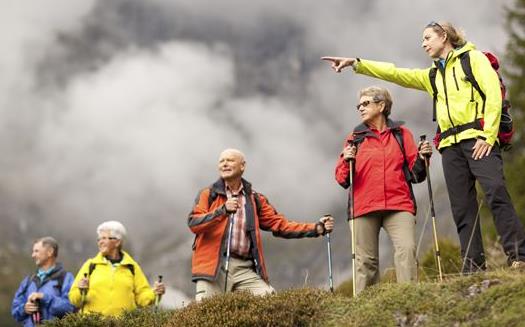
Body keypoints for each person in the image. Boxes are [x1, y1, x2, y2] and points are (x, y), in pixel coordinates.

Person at [322, 21, 525, 273]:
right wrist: (356, 63)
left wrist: (488, 135)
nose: (423, 43)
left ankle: (518, 256)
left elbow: (493, 95)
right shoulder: (432, 75)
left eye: (428, 37)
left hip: (478, 139)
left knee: (496, 193)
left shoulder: (473, 59)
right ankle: (473, 266)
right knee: (462, 207)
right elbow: (396, 73)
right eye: (423, 39)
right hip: (450, 146)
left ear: (444, 36)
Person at [188, 148, 335, 301]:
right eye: (221, 161)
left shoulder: (254, 199)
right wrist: (222, 211)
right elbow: (194, 223)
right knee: (207, 314)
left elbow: (280, 224)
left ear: (242, 166)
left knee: (270, 301)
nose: (224, 164)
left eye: (230, 160)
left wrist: (316, 228)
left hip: (244, 268)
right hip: (213, 269)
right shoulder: (208, 194)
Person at [335, 86, 431, 294]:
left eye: (365, 103)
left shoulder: (402, 134)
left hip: (399, 204)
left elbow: (417, 175)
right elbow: (342, 179)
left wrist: (424, 158)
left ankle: (409, 299)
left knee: (406, 250)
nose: (360, 108)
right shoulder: (355, 138)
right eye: (358, 105)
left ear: (382, 105)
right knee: (366, 262)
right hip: (364, 207)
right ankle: (364, 311)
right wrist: (346, 159)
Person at [69, 221, 165, 316]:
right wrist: (80, 290)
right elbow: (73, 298)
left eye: (104, 238)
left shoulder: (132, 267)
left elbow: (143, 299)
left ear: (117, 242)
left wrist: (155, 292)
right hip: (93, 324)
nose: (100, 242)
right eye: (99, 239)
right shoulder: (91, 265)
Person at [11, 237, 75, 326]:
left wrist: (44, 298)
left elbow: (70, 308)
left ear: (50, 252)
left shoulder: (66, 278)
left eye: (36, 251)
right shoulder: (28, 281)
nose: (33, 255)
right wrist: (24, 309)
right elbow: (15, 311)